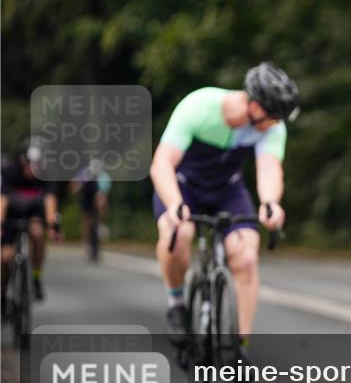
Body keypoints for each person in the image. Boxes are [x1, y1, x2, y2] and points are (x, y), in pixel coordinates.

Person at [149, 62, 299, 355]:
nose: (275, 124)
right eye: (272, 117)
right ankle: (176, 303)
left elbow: (269, 167)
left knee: (246, 257)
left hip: (227, 188)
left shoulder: (271, 125)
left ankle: (240, 344)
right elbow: (162, 163)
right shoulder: (199, 106)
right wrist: (174, 203)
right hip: (184, 185)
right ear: (254, 105)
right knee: (178, 234)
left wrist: (270, 202)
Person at [1, 138, 62, 304]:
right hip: (11, 215)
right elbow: (3, 200)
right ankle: (3, 291)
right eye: (30, 164)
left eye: (38, 164)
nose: (33, 168)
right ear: (22, 160)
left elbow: (50, 200)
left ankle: (36, 277)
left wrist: (52, 226)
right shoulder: (11, 170)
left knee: (37, 233)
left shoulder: (47, 174)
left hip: (33, 214)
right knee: (5, 258)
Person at [70, 158, 112, 262]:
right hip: (86, 199)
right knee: (86, 222)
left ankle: (100, 227)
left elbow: (103, 195)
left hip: (97, 198)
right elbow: (74, 188)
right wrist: (81, 183)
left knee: (101, 205)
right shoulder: (84, 174)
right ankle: (86, 244)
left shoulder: (104, 177)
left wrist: (101, 209)